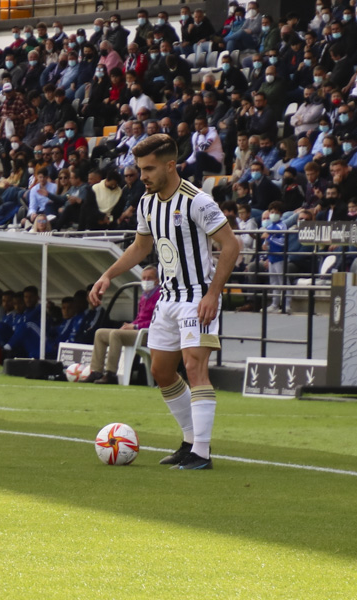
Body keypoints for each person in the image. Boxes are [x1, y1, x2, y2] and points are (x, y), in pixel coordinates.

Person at [90, 134, 241, 471]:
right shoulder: (147, 203)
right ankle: (190, 442)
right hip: (167, 298)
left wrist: (213, 293)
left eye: (149, 168)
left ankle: (201, 453)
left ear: (170, 165)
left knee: (194, 367)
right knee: (161, 371)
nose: (142, 175)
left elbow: (231, 246)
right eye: (140, 168)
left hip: (196, 298)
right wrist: (107, 275)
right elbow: (140, 248)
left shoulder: (197, 201)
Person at [87, 265, 159, 385]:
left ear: (157, 280)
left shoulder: (160, 296)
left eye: (149, 278)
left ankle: (111, 374)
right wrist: (130, 325)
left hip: (149, 334)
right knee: (100, 333)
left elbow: (156, 322)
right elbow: (139, 318)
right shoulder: (144, 296)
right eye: (144, 278)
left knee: (116, 334)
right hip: (139, 331)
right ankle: (96, 371)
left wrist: (135, 327)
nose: (146, 281)